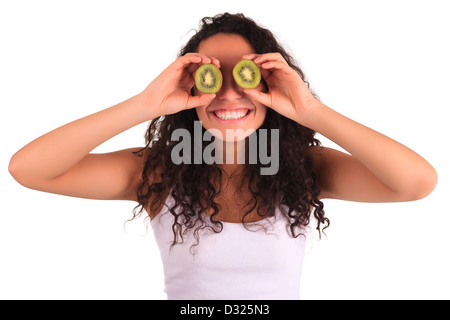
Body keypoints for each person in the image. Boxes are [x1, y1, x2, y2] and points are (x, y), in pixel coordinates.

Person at [8, 13, 437, 300]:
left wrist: (311, 111)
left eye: (246, 76)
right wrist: (144, 105)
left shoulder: (305, 169)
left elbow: (417, 182)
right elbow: (28, 169)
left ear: (270, 82)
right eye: (213, 77)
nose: (230, 93)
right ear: (191, 87)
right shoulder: (159, 171)